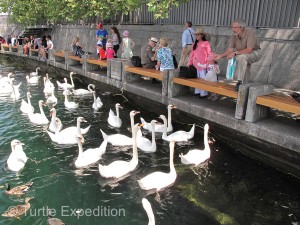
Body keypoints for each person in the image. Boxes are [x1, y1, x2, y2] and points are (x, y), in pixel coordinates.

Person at [214, 19, 262, 91]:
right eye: (232, 27)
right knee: (245, 66)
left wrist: (235, 53)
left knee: (241, 57)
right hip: (243, 53)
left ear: (241, 28)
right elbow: (230, 50)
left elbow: (249, 50)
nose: (233, 29)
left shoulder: (250, 33)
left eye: (235, 27)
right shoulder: (234, 35)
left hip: (255, 53)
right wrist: (220, 56)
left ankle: (240, 82)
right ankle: (244, 86)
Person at [188, 28, 212, 97]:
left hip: (203, 64)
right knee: (197, 78)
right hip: (195, 64)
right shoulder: (194, 44)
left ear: (202, 35)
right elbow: (192, 54)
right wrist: (190, 62)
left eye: (198, 35)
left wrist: (208, 62)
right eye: (196, 35)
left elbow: (209, 53)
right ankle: (197, 91)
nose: (197, 36)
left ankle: (203, 93)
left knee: (203, 78)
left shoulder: (206, 43)